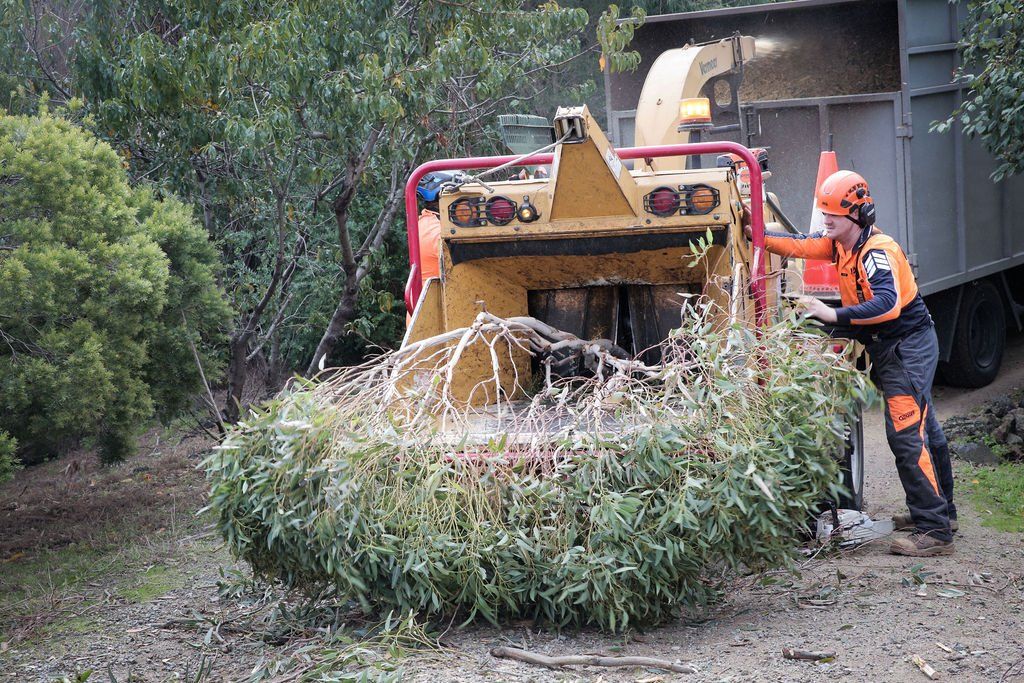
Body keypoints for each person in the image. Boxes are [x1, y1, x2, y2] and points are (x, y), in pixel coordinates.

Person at [748, 170, 956, 557]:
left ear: (859, 214)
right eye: (824, 213)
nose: (826, 221)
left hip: (907, 347)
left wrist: (832, 315)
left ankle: (934, 530)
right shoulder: (840, 244)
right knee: (925, 428)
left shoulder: (877, 252)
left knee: (907, 435)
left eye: (833, 215)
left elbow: (886, 304)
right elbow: (798, 245)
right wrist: (754, 232)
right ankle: (942, 513)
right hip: (893, 347)